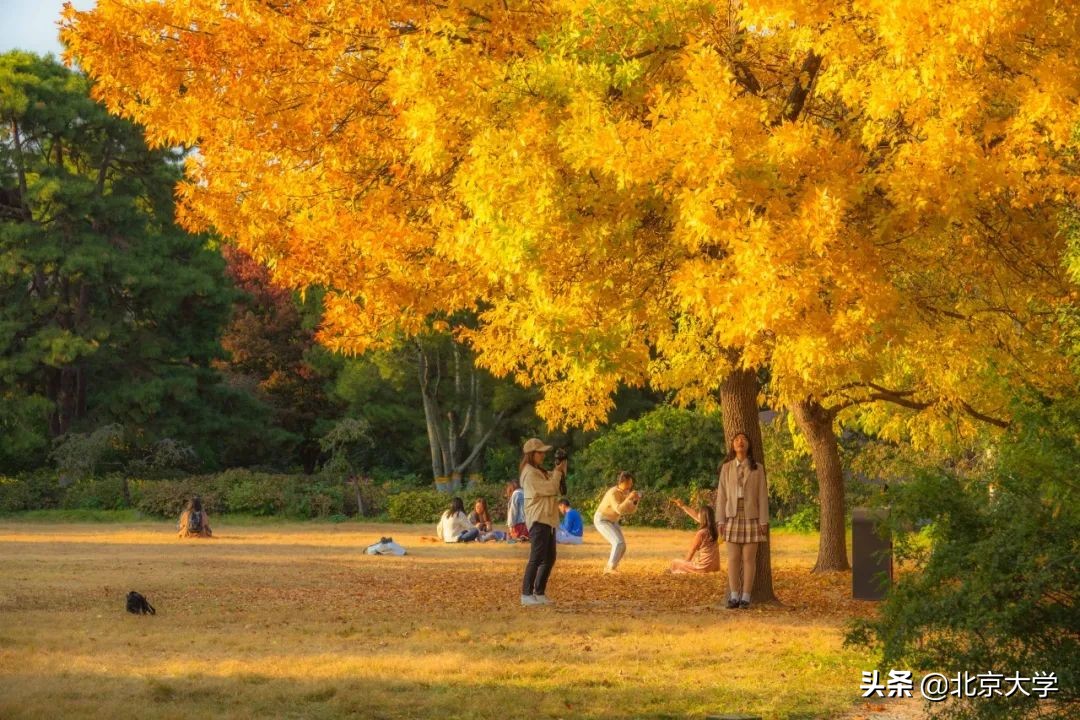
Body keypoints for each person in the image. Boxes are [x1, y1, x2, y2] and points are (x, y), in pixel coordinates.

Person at [716, 431, 769, 609]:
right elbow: (721, 496)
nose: (740, 442)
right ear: (732, 445)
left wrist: (763, 521)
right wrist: (720, 521)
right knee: (733, 558)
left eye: (744, 439)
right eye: (737, 440)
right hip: (731, 515)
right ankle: (734, 595)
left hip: (752, 515)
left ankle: (746, 597)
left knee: (749, 559)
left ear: (748, 445)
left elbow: (762, 495)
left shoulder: (758, 468)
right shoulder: (726, 467)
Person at [519, 438, 566, 606]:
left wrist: (558, 471)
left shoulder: (538, 471)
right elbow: (551, 488)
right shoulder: (530, 473)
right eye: (540, 452)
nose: (543, 455)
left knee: (549, 558)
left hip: (547, 518)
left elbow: (556, 487)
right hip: (539, 519)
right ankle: (526, 594)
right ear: (532, 454)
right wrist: (558, 473)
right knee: (536, 557)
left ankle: (538, 592)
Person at [593, 471, 640, 573]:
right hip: (602, 520)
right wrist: (629, 498)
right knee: (618, 543)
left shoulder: (625, 493)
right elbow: (618, 509)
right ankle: (610, 568)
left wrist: (635, 501)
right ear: (621, 482)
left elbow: (630, 510)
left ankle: (612, 567)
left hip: (612, 521)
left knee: (622, 546)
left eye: (631, 484)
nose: (630, 486)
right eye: (628, 483)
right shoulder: (613, 492)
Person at [668, 499, 720, 574]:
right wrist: (683, 506)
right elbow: (695, 515)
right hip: (716, 567)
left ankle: (678, 571)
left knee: (675, 562)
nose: (697, 514)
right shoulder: (717, 529)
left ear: (702, 517)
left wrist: (684, 564)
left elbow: (691, 552)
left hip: (703, 568)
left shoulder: (701, 533)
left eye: (699, 513)